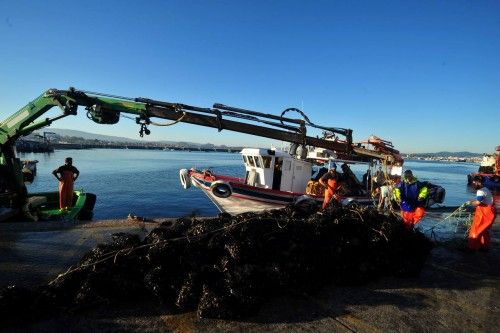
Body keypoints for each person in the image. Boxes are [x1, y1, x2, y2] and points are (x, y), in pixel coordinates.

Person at [465, 176, 496, 251]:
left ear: (478, 182)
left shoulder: (480, 191)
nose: (473, 185)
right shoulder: (486, 189)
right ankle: (484, 247)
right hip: (491, 213)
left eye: (474, 183)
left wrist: (469, 202)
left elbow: (478, 202)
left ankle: (471, 248)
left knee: (476, 230)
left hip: (485, 214)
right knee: (484, 231)